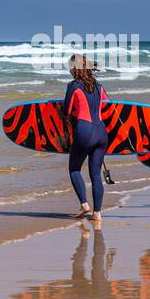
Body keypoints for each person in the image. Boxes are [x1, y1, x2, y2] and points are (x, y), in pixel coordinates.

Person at [62, 55, 109, 221]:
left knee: (74, 168)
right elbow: (108, 106)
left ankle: (84, 204)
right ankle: (97, 213)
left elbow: (66, 112)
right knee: (95, 174)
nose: (69, 70)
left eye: (70, 66)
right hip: (102, 133)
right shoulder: (99, 86)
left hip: (84, 131)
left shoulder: (73, 86)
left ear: (75, 68)